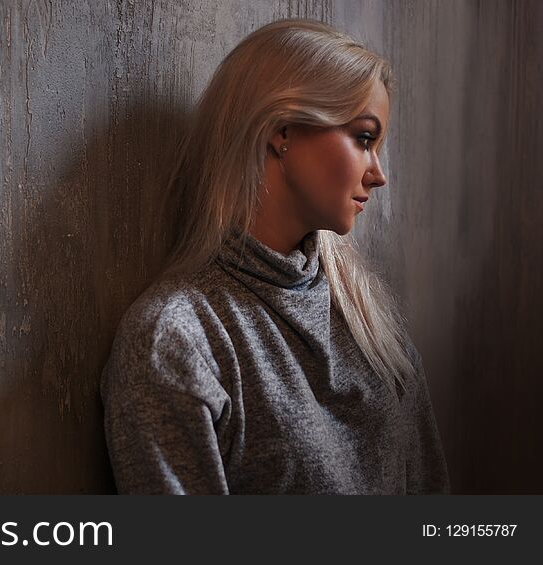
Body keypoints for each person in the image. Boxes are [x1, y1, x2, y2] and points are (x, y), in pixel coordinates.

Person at [99, 18, 450, 494]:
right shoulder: (177, 338)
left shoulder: (371, 323)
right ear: (282, 131)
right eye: (364, 139)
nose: (378, 174)